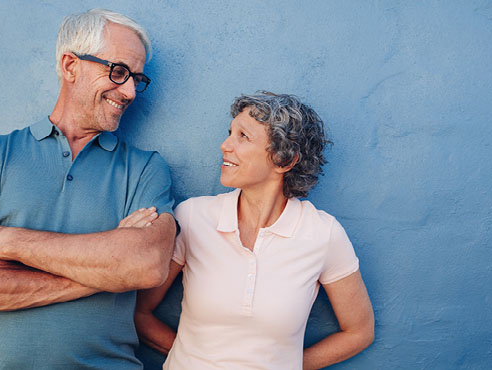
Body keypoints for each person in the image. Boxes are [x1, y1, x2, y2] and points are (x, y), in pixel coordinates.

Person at [0, 9, 176, 369]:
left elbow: (145, 265)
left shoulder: (145, 168)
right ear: (71, 66)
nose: (131, 91)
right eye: (119, 72)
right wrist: (103, 274)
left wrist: (9, 241)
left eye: (137, 78)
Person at [134, 91, 374, 370]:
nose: (225, 145)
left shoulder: (322, 234)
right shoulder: (193, 217)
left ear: (285, 160)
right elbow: (140, 312)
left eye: (243, 136)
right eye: (229, 133)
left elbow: (360, 332)